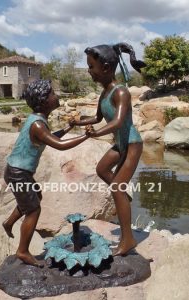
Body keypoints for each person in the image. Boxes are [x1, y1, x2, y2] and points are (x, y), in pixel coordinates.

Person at [69, 43, 146, 256]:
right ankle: (123, 196)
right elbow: (98, 117)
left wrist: (97, 133)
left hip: (131, 144)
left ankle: (128, 239)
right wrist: (79, 122)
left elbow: (119, 121)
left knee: (117, 188)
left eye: (91, 67)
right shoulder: (105, 93)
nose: (89, 71)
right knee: (102, 169)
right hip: (120, 144)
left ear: (105, 67)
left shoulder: (121, 92)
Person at [3, 79, 89, 267]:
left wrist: (69, 128)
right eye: (52, 93)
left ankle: (8, 224)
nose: (55, 96)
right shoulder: (38, 125)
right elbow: (58, 145)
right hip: (18, 173)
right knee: (33, 209)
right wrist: (86, 135)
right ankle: (23, 251)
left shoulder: (38, 121)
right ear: (43, 101)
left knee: (34, 198)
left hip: (19, 171)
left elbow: (51, 138)